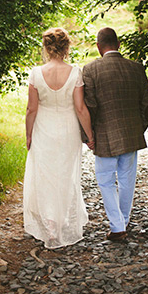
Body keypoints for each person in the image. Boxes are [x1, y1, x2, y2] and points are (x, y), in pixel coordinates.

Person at [24, 27, 94, 249]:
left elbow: (31, 110)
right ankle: (62, 220)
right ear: (66, 47)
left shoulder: (36, 73)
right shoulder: (75, 72)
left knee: (45, 175)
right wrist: (90, 136)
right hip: (68, 129)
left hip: (43, 128)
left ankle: (50, 224)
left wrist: (28, 135)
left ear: (46, 47)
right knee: (65, 174)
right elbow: (81, 108)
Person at [83, 27, 148, 241]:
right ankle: (122, 221)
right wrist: (139, 128)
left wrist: (89, 135)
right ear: (118, 44)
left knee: (104, 181)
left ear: (98, 46)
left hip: (104, 134)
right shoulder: (136, 68)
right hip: (131, 133)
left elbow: (91, 105)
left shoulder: (90, 69)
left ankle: (118, 226)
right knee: (127, 180)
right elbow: (146, 105)